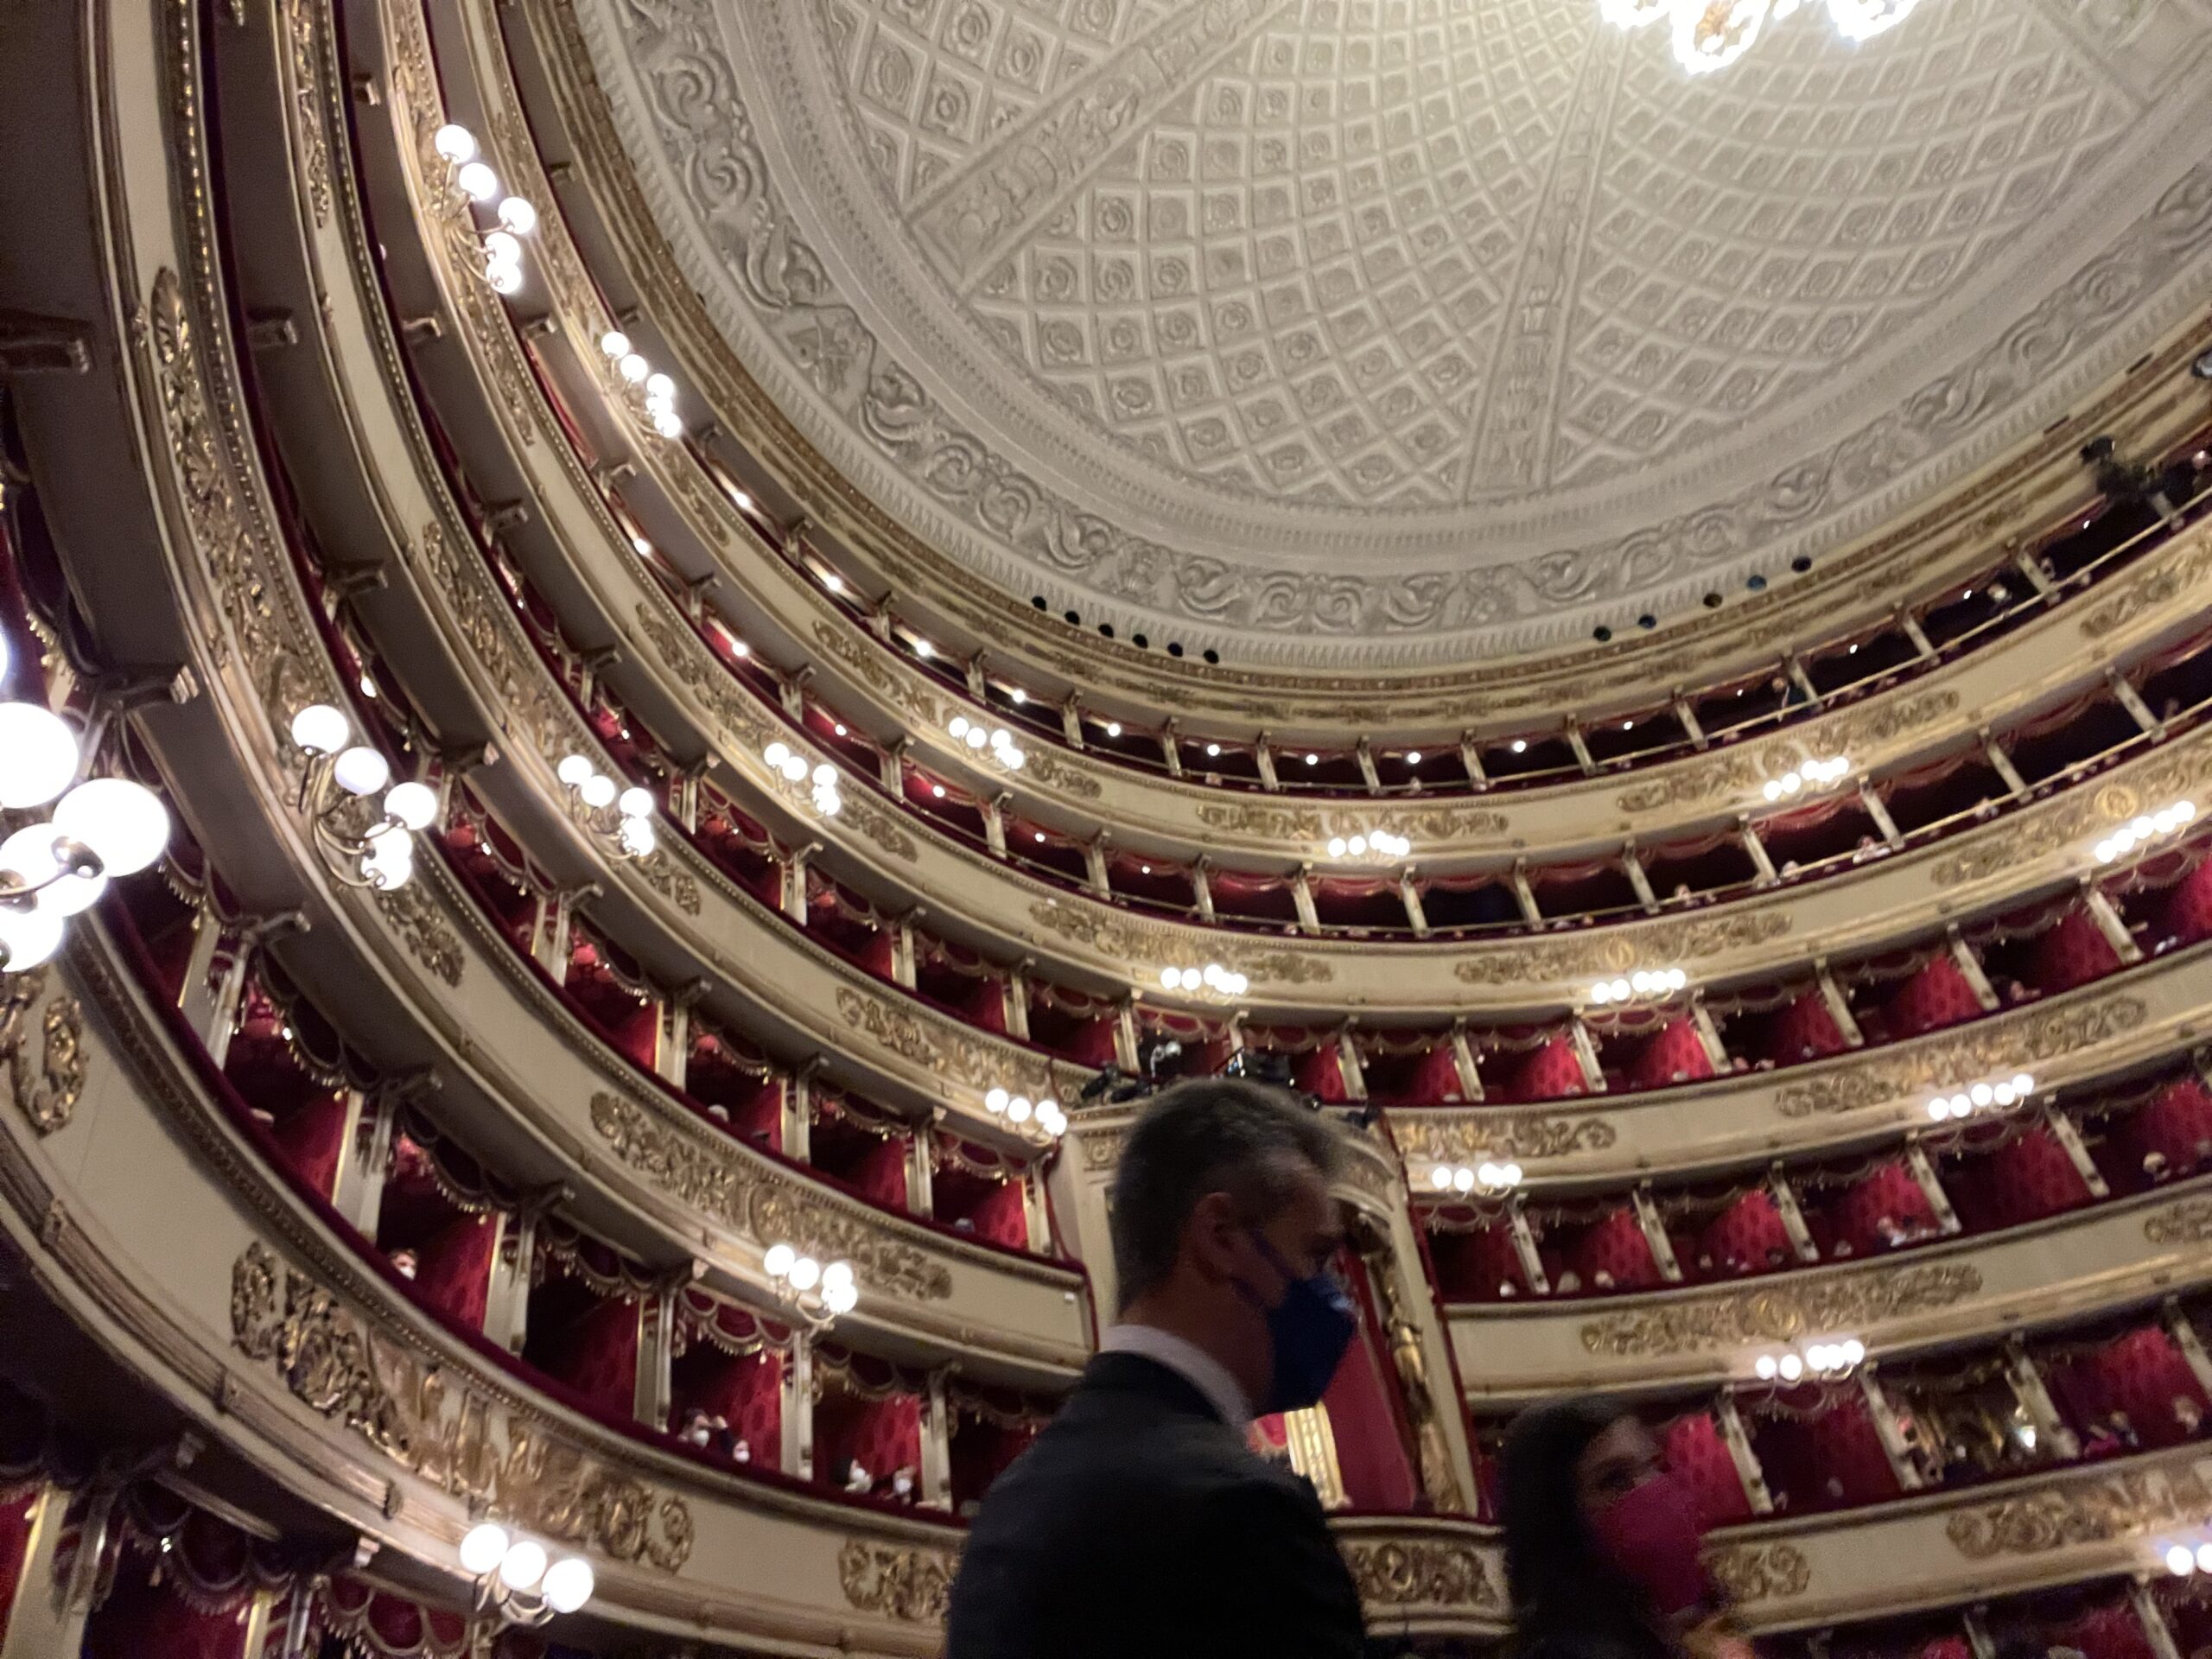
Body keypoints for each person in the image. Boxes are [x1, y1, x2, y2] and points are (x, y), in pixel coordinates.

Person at [946, 1077, 1365, 1659]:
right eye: (1316, 1256)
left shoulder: (1010, 1503)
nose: (1335, 1295)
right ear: (1219, 1237)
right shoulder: (1246, 1510)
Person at [1500, 1395, 1745, 1659]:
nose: (1650, 1490)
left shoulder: (1694, 1626)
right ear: (1557, 1520)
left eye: (1654, 1465)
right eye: (1614, 1479)